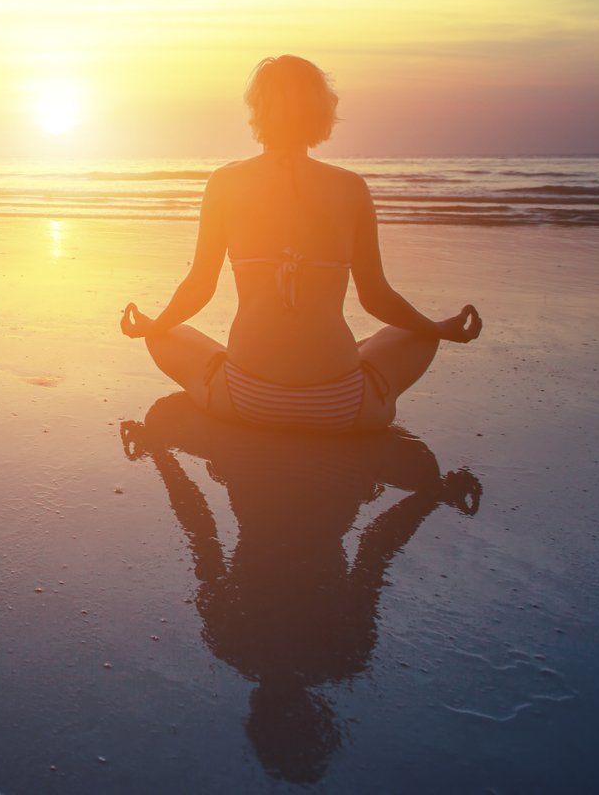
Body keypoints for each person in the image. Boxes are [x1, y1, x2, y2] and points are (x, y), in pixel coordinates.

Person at [119, 392, 481, 781]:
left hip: (326, 459)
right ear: (258, 709)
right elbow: (201, 529)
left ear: (315, 714)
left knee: (422, 470)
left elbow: (375, 548)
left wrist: (431, 493)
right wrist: (160, 449)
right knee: (163, 417)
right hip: (257, 454)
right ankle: (311, 400)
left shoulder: (344, 655)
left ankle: (313, 404)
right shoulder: (231, 642)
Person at [119, 55, 481, 431]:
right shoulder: (350, 187)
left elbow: (199, 287)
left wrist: (153, 326)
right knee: (418, 335)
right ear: (321, 111)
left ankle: (218, 360)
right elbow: (376, 298)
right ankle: (356, 363)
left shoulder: (224, 183)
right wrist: (440, 329)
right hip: (342, 406)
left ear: (258, 111)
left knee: (166, 334)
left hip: (245, 399)